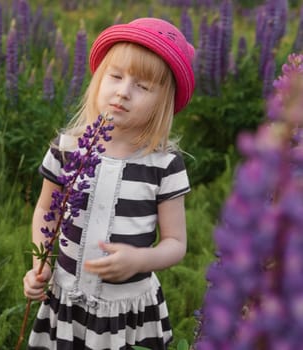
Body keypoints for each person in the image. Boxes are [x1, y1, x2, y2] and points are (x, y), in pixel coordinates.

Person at [22, 17, 195, 350]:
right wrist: (38, 267)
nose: (123, 92)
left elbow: (176, 242)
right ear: (99, 80)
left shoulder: (163, 165)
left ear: (163, 104)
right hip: (66, 297)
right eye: (115, 76)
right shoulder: (67, 148)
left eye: (142, 86)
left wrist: (139, 260)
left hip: (126, 310)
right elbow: (46, 208)